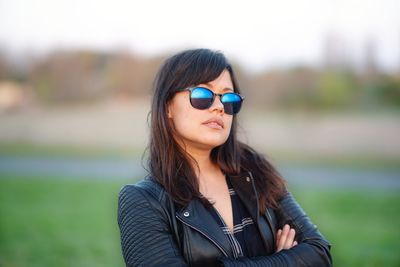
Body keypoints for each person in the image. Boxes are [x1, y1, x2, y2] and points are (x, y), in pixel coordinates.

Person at [117, 48, 332, 267]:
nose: (219, 107)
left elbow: (319, 253)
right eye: (203, 95)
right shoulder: (142, 201)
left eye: (229, 98)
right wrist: (283, 261)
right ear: (167, 106)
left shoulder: (258, 174)